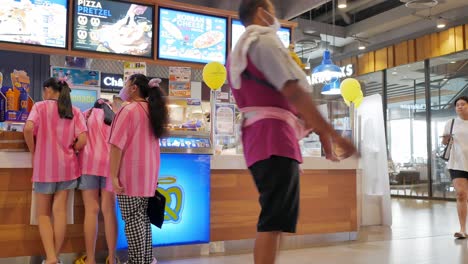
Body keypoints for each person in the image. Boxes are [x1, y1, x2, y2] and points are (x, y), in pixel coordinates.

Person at [228, 1, 357, 263]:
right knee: (272, 221)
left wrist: (323, 136)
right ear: (262, 13)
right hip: (274, 140)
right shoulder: (264, 41)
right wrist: (334, 134)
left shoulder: (240, 50)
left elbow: (287, 103)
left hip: (261, 140)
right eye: (272, 12)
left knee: (275, 221)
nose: (274, 18)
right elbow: (294, 92)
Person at [23, 78, 87, 264]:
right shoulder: (74, 111)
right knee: (60, 213)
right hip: (68, 168)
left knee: (43, 214)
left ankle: (50, 258)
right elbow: (82, 140)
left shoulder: (40, 107)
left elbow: (28, 128)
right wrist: (72, 149)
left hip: (44, 167)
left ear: (47, 90)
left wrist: (34, 150)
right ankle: (55, 257)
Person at [109, 74, 169, 264]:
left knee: (133, 221)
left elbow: (116, 146)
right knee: (142, 219)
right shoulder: (152, 111)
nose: (124, 87)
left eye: (127, 84)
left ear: (134, 88)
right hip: (149, 175)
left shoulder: (128, 111)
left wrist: (113, 175)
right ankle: (145, 260)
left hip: (130, 175)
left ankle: (137, 261)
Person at [75, 99, 118, 264]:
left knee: (91, 211)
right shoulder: (115, 118)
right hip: (110, 167)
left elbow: (79, 138)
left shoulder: (86, 114)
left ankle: (90, 259)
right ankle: (112, 258)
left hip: (88, 165)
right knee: (109, 211)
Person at [442, 96, 468, 239]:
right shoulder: (451, 123)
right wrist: (445, 139)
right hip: (457, 163)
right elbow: (445, 142)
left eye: (463, 104)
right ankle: (462, 229)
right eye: (457, 105)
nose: (459, 107)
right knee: (461, 194)